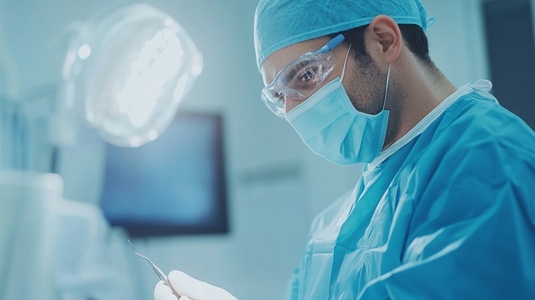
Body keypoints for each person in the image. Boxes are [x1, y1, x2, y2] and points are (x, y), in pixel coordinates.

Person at [154, 0, 535, 299]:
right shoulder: (333, 224)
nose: (294, 110)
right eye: (280, 97)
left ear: (383, 40)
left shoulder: (490, 161)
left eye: (305, 75)